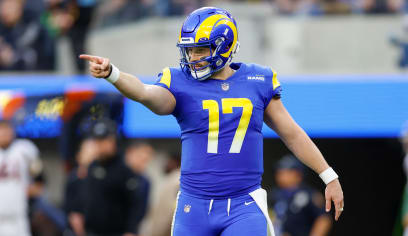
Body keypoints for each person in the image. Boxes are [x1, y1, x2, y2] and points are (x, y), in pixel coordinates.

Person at [80, 6, 344, 236]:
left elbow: (292, 134)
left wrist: (328, 175)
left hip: (244, 204)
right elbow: (145, 93)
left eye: (200, 49)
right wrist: (113, 74)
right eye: (189, 50)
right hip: (194, 205)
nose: (193, 57)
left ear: (225, 45)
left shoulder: (257, 80)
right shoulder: (180, 82)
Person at [67, 118, 145, 236]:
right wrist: (77, 213)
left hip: (117, 232)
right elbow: (84, 196)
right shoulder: (91, 167)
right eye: (97, 141)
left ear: (112, 140)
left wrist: (131, 230)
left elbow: (135, 205)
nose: (99, 145)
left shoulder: (124, 170)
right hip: (91, 231)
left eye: (103, 140)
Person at [269, 155, 332, 236]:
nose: (281, 175)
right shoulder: (274, 194)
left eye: (286, 172)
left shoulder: (309, 194)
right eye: (279, 172)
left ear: (298, 174)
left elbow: (324, 219)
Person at [0, 120, 43, 236]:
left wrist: (35, 189)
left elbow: (39, 175)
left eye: (7, 129)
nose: (4, 133)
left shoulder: (25, 149)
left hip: (18, 213)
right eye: (1, 130)